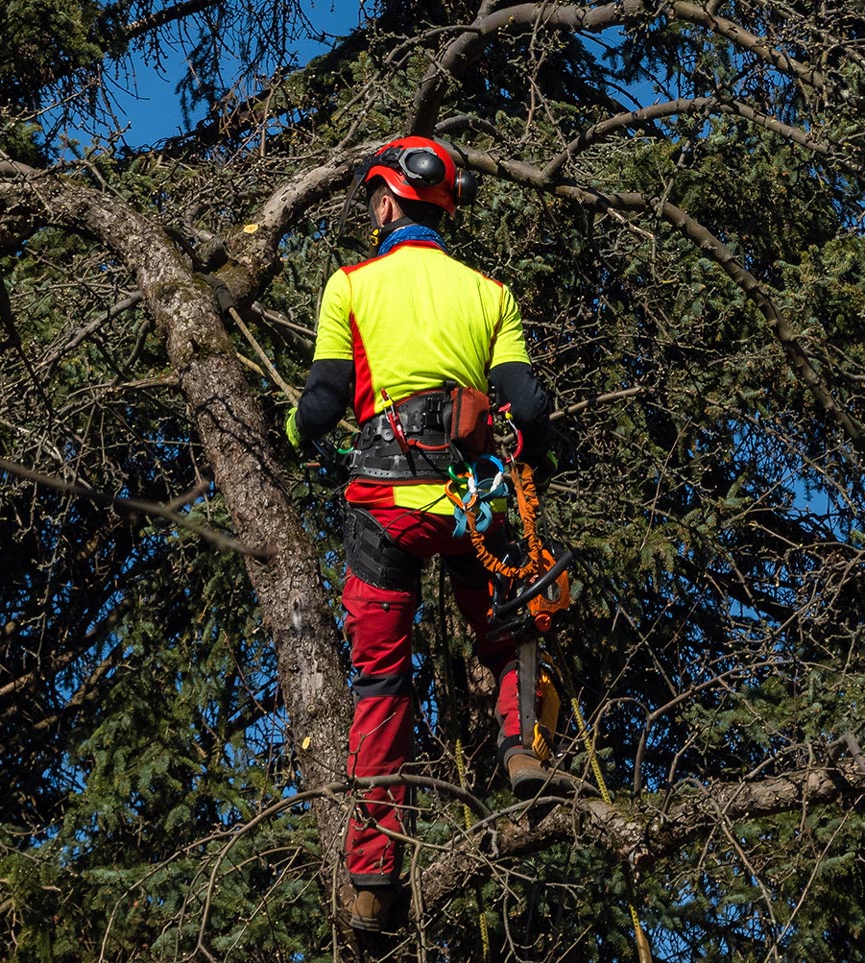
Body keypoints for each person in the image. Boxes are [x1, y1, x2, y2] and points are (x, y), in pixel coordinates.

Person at [283, 136, 558, 934]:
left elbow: (325, 400)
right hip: (473, 507)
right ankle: (522, 750)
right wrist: (533, 453)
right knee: (514, 634)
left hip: (386, 509)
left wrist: (294, 433)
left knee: (380, 680)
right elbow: (528, 409)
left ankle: (372, 875)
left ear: (386, 204)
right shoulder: (490, 293)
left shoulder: (351, 284)